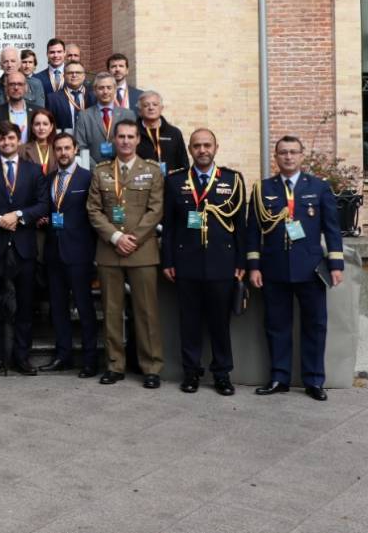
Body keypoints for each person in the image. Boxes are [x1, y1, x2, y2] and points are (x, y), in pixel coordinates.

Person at [247, 135, 344, 401]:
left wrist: (336, 265)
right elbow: (253, 232)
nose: (288, 157)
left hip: (311, 268)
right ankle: (279, 377)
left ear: (302, 155)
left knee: (315, 325)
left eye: (293, 152)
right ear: (276, 157)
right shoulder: (262, 189)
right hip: (274, 267)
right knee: (276, 325)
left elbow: (332, 229)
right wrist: (254, 266)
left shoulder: (319, 187)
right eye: (283, 153)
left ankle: (314, 380)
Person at [161, 129, 246, 396]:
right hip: (187, 263)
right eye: (197, 146)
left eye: (207, 145)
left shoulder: (232, 180)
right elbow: (170, 226)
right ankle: (191, 372)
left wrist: (241, 260)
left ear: (216, 147)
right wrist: (168, 261)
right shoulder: (175, 181)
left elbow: (240, 225)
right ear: (189, 149)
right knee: (189, 322)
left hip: (222, 262)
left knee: (220, 322)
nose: (202, 150)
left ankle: (222, 373)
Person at [86, 119, 165, 388]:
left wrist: (134, 238)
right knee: (111, 311)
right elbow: (93, 210)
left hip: (142, 251)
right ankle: (114, 365)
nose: (126, 141)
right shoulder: (101, 172)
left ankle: (151, 367)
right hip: (110, 250)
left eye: (131, 136)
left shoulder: (152, 171)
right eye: (121, 136)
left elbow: (156, 210)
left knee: (146, 312)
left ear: (138, 140)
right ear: (114, 140)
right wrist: (116, 236)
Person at [0, 121, 50, 376]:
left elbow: (43, 204)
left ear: (19, 140)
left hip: (24, 247)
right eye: (2, 139)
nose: (7, 142)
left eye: (11, 138)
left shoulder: (34, 171)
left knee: (25, 307)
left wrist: (17, 215)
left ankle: (22, 358)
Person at [42, 132, 98, 377]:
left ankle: (90, 360)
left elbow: (94, 215)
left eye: (67, 148)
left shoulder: (88, 178)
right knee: (58, 308)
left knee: (85, 308)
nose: (63, 153)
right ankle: (63, 356)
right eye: (59, 149)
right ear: (54, 152)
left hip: (79, 254)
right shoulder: (50, 178)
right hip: (54, 252)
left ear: (75, 149)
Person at [74, 72, 135, 168]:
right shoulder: (84, 116)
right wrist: (97, 169)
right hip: (93, 171)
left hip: (122, 169)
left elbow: (133, 143)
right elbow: (80, 147)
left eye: (109, 88)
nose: (105, 91)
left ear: (115, 89)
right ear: (94, 90)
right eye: (101, 88)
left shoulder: (128, 114)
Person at [136, 91, 188, 174]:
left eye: (155, 104)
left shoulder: (174, 133)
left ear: (161, 108)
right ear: (140, 110)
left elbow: (183, 163)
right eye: (146, 105)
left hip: (170, 182)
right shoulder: (133, 133)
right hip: (142, 183)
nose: (151, 108)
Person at [46, 62, 91, 133]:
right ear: (63, 76)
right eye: (70, 73)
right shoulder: (52, 99)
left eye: (78, 72)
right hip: (64, 141)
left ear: (84, 76)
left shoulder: (94, 96)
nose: (74, 75)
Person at [20, 108, 57, 176]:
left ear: (51, 127)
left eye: (45, 124)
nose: (41, 128)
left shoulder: (58, 149)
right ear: (32, 128)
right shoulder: (22, 150)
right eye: (37, 124)